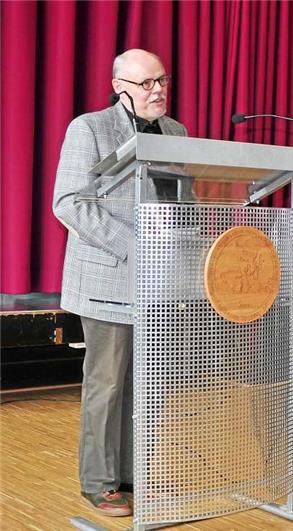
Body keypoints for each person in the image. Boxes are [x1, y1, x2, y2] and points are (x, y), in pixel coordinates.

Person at [52, 49, 188, 517]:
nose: (158, 90)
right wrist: (135, 245)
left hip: (161, 283)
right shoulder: (89, 129)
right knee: (107, 384)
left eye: (162, 81)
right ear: (119, 87)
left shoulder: (176, 132)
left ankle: (134, 475)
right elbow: (70, 202)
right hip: (108, 277)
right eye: (146, 83)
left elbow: (183, 200)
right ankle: (99, 482)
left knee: (150, 384)